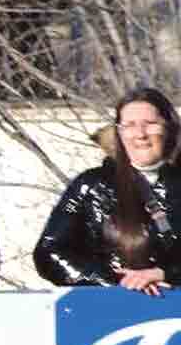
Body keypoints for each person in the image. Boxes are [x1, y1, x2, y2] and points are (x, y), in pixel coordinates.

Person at [35, 86, 181, 296]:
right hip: (108, 313)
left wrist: (166, 274)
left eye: (150, 124)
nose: (140, 134)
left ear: (169, 128)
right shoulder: (90, 185)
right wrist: (117, 284)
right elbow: (49, 251)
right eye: (129, 125)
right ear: (119, 133)